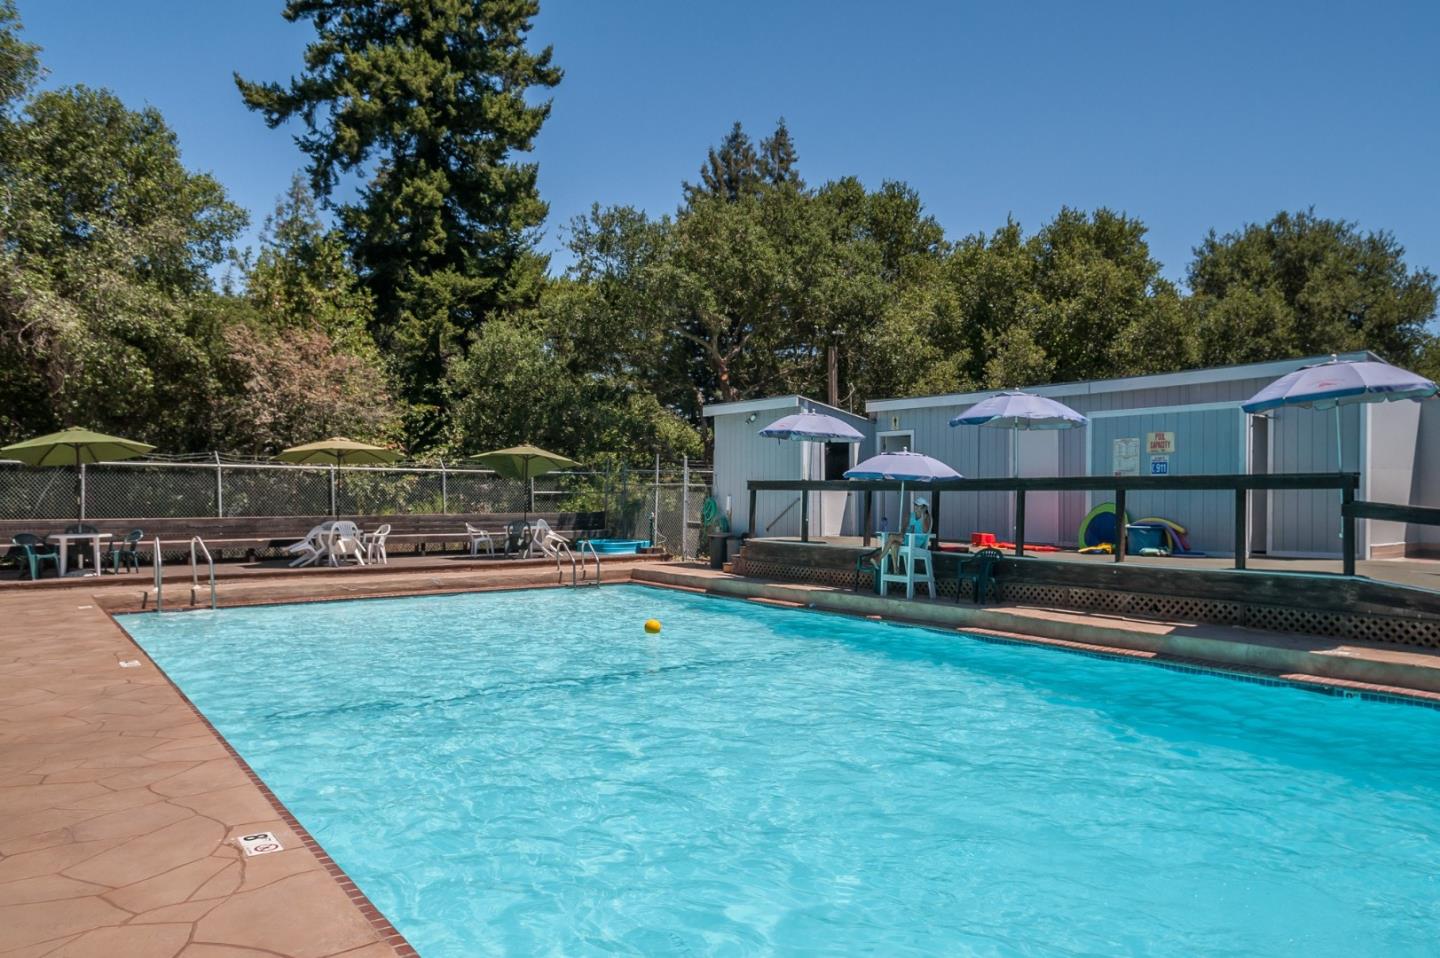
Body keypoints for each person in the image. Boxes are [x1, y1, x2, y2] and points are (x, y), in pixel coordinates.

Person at [869, 497, 932, 572]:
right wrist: (906, 530)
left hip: (917, 542)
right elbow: (903, 529)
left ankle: (878, 559)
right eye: (915, 504)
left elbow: (925, 531)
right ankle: (896, 569)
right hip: (907, 538)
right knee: (894, 544)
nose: (915, 506)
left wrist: (923, 519)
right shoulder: (910, 515)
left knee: (892, 537)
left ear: (924, 507)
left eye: (918, 505)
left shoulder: (927, 517)